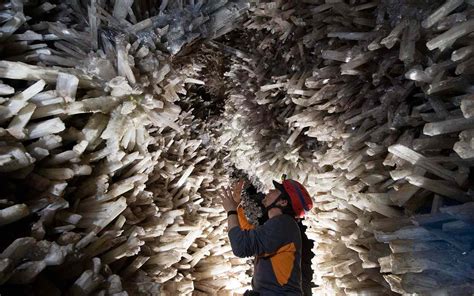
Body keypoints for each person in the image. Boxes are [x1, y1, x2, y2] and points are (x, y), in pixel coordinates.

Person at [219, 178, 314, 295]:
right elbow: (250, 235)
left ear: (283, 202)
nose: (269, 191)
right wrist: (237, 206)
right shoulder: (281, 226)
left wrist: (231, 211)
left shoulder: (284, 225)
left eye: (275, 190)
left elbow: (241, 246)